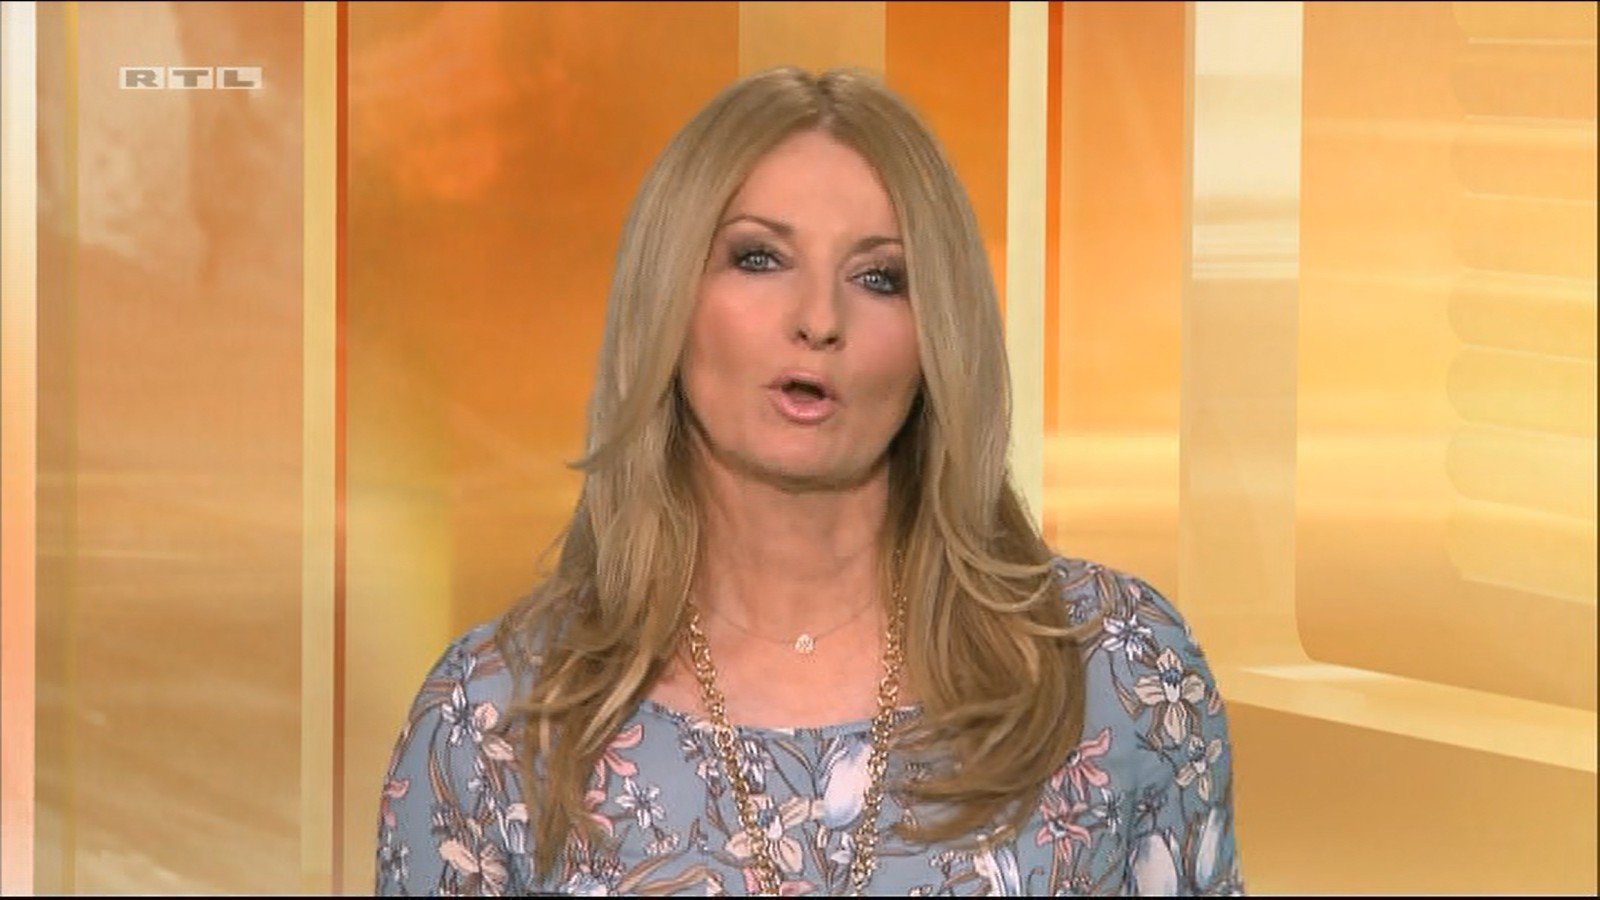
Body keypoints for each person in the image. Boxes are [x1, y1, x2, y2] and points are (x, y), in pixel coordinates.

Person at [375, 65, 1244, 896]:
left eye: (879, 278)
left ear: (937, 335)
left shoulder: (1117, 671)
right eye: (759, 258)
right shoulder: (496, 721)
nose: (819, 320)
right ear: (668, 299)